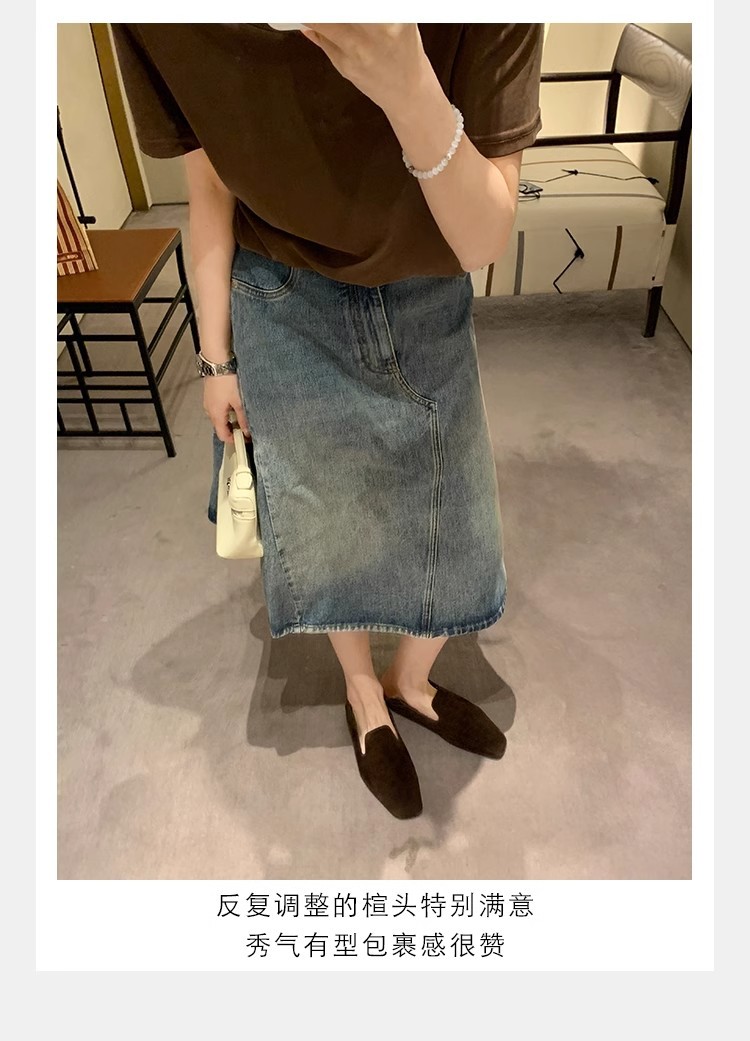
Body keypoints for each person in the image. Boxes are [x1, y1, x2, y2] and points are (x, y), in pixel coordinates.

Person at [112, 22, 544, 819]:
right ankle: (364, 693)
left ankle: (410, 681)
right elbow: (210, 189)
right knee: (333, 529)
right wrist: (215, 361)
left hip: (427, 283)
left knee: (459, 535)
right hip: (282, 297)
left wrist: (407, 82)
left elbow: (485, 238)